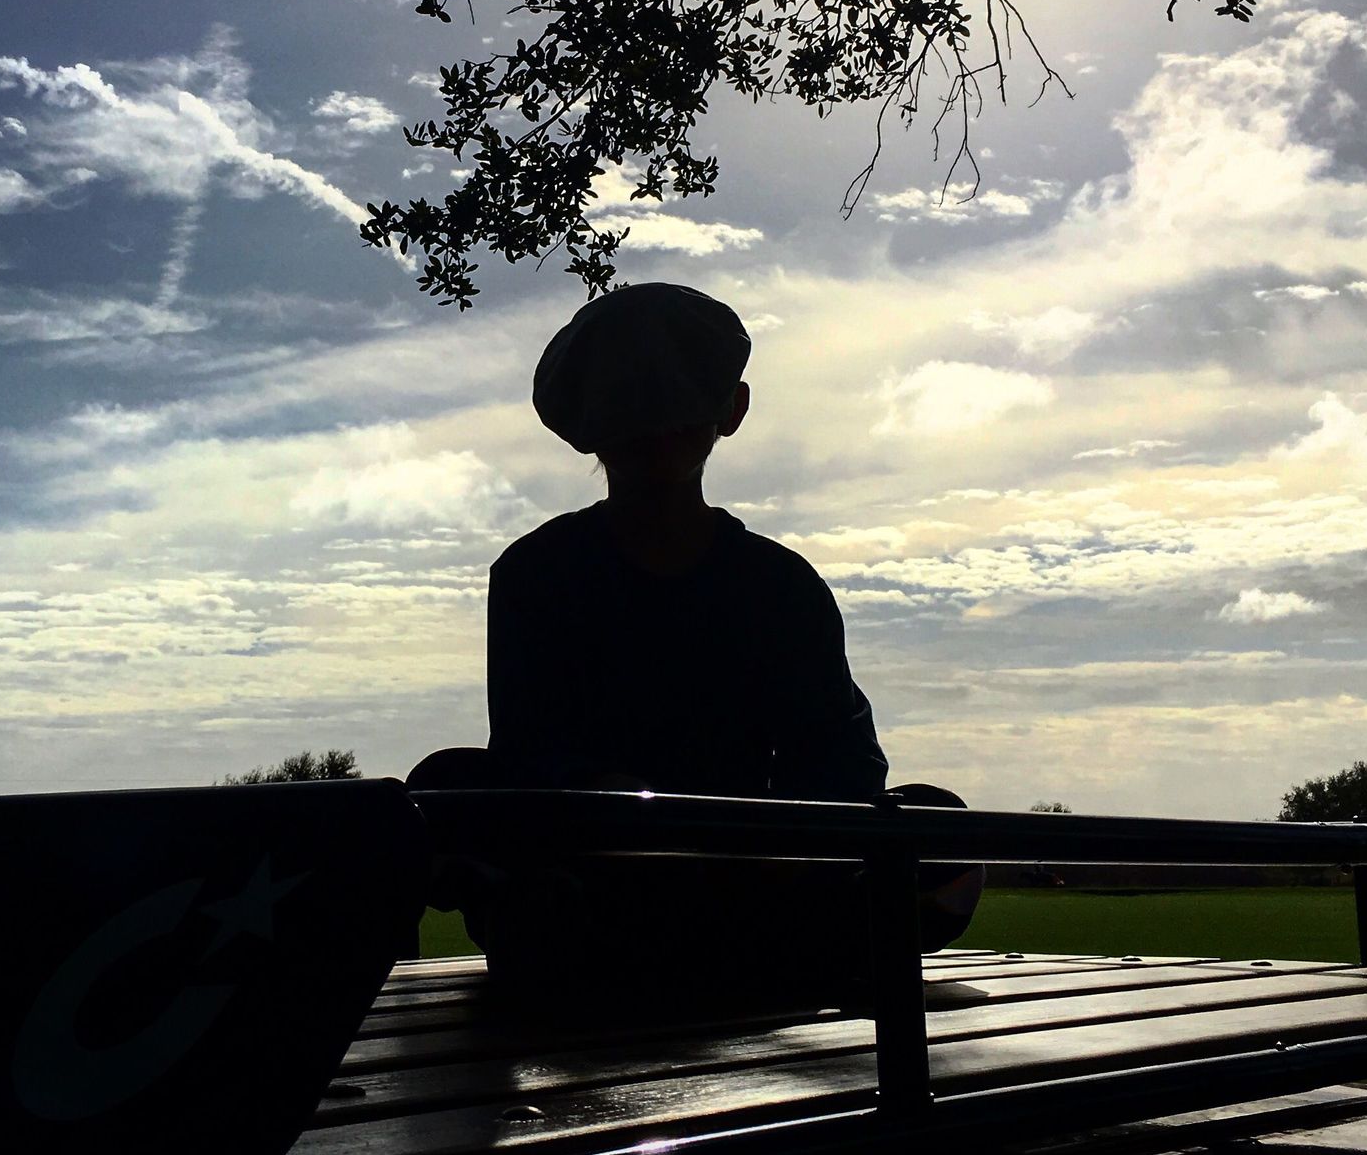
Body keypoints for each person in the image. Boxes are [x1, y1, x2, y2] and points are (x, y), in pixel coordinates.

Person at [408, 282, 980, 1002]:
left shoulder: (781, 585)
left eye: (675, 400)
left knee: (937, 818)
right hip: (598, 867)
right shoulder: (536, 574)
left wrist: (766, 846)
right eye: (633, 404)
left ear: (730, 411)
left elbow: (840, 761)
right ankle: (784, 948)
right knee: (441, 788)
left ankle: (636, 947)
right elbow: (532, 759)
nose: (656, 425)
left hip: (756, 871)